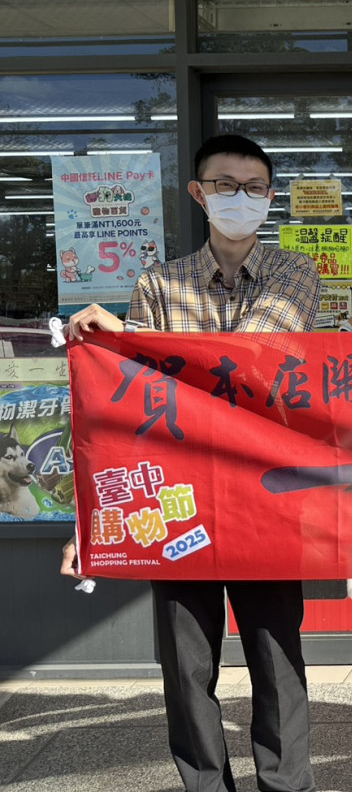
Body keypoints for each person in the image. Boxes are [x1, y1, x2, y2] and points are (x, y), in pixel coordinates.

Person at [63, 134, 320, 792]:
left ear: (270, 198)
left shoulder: (297, 273)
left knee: (276, 655)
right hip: (175, 498)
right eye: (226, 185)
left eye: (256, 188)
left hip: (266, 497)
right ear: (199, 193)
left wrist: (134, 342)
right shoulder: (158, 282)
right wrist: (120, 348)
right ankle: (205, 784)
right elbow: (136, 403)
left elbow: (252, 358)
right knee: (185, 663)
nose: (242, 199)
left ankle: (285, 784)